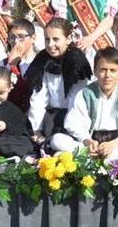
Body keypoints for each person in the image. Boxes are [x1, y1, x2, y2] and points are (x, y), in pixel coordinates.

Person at [51, 47, 118, 163]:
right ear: (95, 71)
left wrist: (115, 143)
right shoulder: (85, 93)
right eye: (103, 70)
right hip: (93, 143)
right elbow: (74, 124)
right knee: (57, 139)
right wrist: (88, 141)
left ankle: (99, 160)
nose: (107, 75)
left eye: (113, 70)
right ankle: (105, 159)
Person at [27, 18, 93, 148]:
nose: (51, 44)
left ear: (68, 39)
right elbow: (39, 96)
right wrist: (37, 128)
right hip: (50, 117)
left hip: (73, 117)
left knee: (59, 143)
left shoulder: (76, 61)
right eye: (47, 39)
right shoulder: (42, 59)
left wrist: (71, 128)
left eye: (56, 39)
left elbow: (76, 99)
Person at [0, 19, 38, 112]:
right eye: (12, 37)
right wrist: (11, 64)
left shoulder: (40, 62)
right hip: (10, 116)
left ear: (33, 38)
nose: (16, 42)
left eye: (21, 37)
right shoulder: (3, 63)